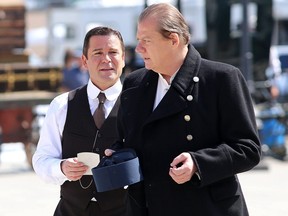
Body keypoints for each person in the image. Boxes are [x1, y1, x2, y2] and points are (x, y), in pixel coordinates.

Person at [107, 3, 261, 216]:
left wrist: (198, 163)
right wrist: (117, 154)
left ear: (173, 40)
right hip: (148, 207)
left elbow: (248, 149)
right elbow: (126, 138)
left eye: (146, 40)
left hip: (207, 208)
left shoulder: (222, 79)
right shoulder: (135, 83)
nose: (138, 48)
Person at [32, 26, 132, 216]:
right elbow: (41, 159)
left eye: (113, 52)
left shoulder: (138, 105)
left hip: (126, 210)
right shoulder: (62, 105)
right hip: (71, 210)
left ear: (123, 58)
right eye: (97, 53)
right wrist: (61, 168)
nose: (106, 59)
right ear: (84, 61)